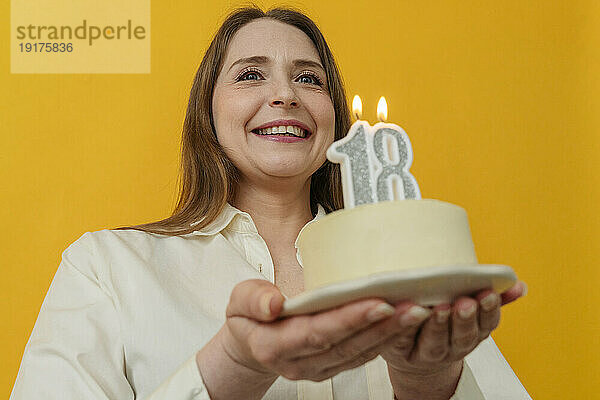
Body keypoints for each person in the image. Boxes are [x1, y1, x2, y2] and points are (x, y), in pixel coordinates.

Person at [10, 6, 530, 400]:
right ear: (208, 112)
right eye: (250, 74)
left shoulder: (422, 280)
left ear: (333, 117)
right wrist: (227, 368)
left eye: (309, 78)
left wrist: (430, 382)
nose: (285, 95)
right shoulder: (107, 266)